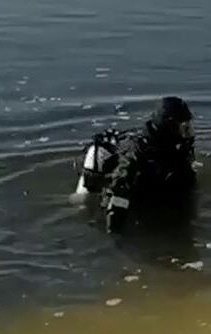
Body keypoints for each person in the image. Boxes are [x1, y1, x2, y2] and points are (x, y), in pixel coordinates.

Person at [75, 96, 199, 233]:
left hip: (147, 170)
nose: (189, 134)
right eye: (185, 128)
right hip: (102, 163)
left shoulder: (179, 149)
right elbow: (116, 209)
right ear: (169, 128)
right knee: (83, 204)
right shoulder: (134, 160)